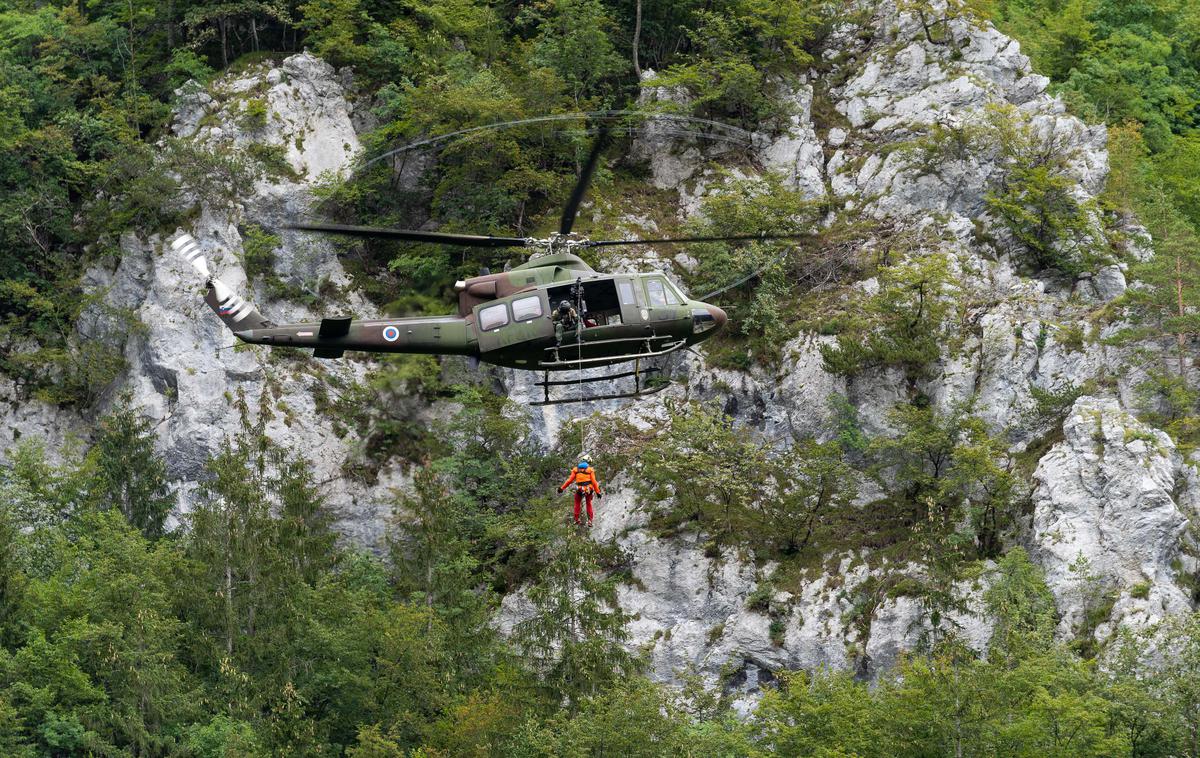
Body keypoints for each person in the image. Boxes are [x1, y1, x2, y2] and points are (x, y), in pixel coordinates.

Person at [558, 454, 602, 526]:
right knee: (588, 503)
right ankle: (590, 521)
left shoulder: (575, 469)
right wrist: (598, 492)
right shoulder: (590, 470)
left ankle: (576, 520)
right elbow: (594, 482)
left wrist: (562, 488)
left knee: (577, 503)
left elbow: (569, 480)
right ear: (588, 462)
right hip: (588, 489)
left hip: (579, 489)